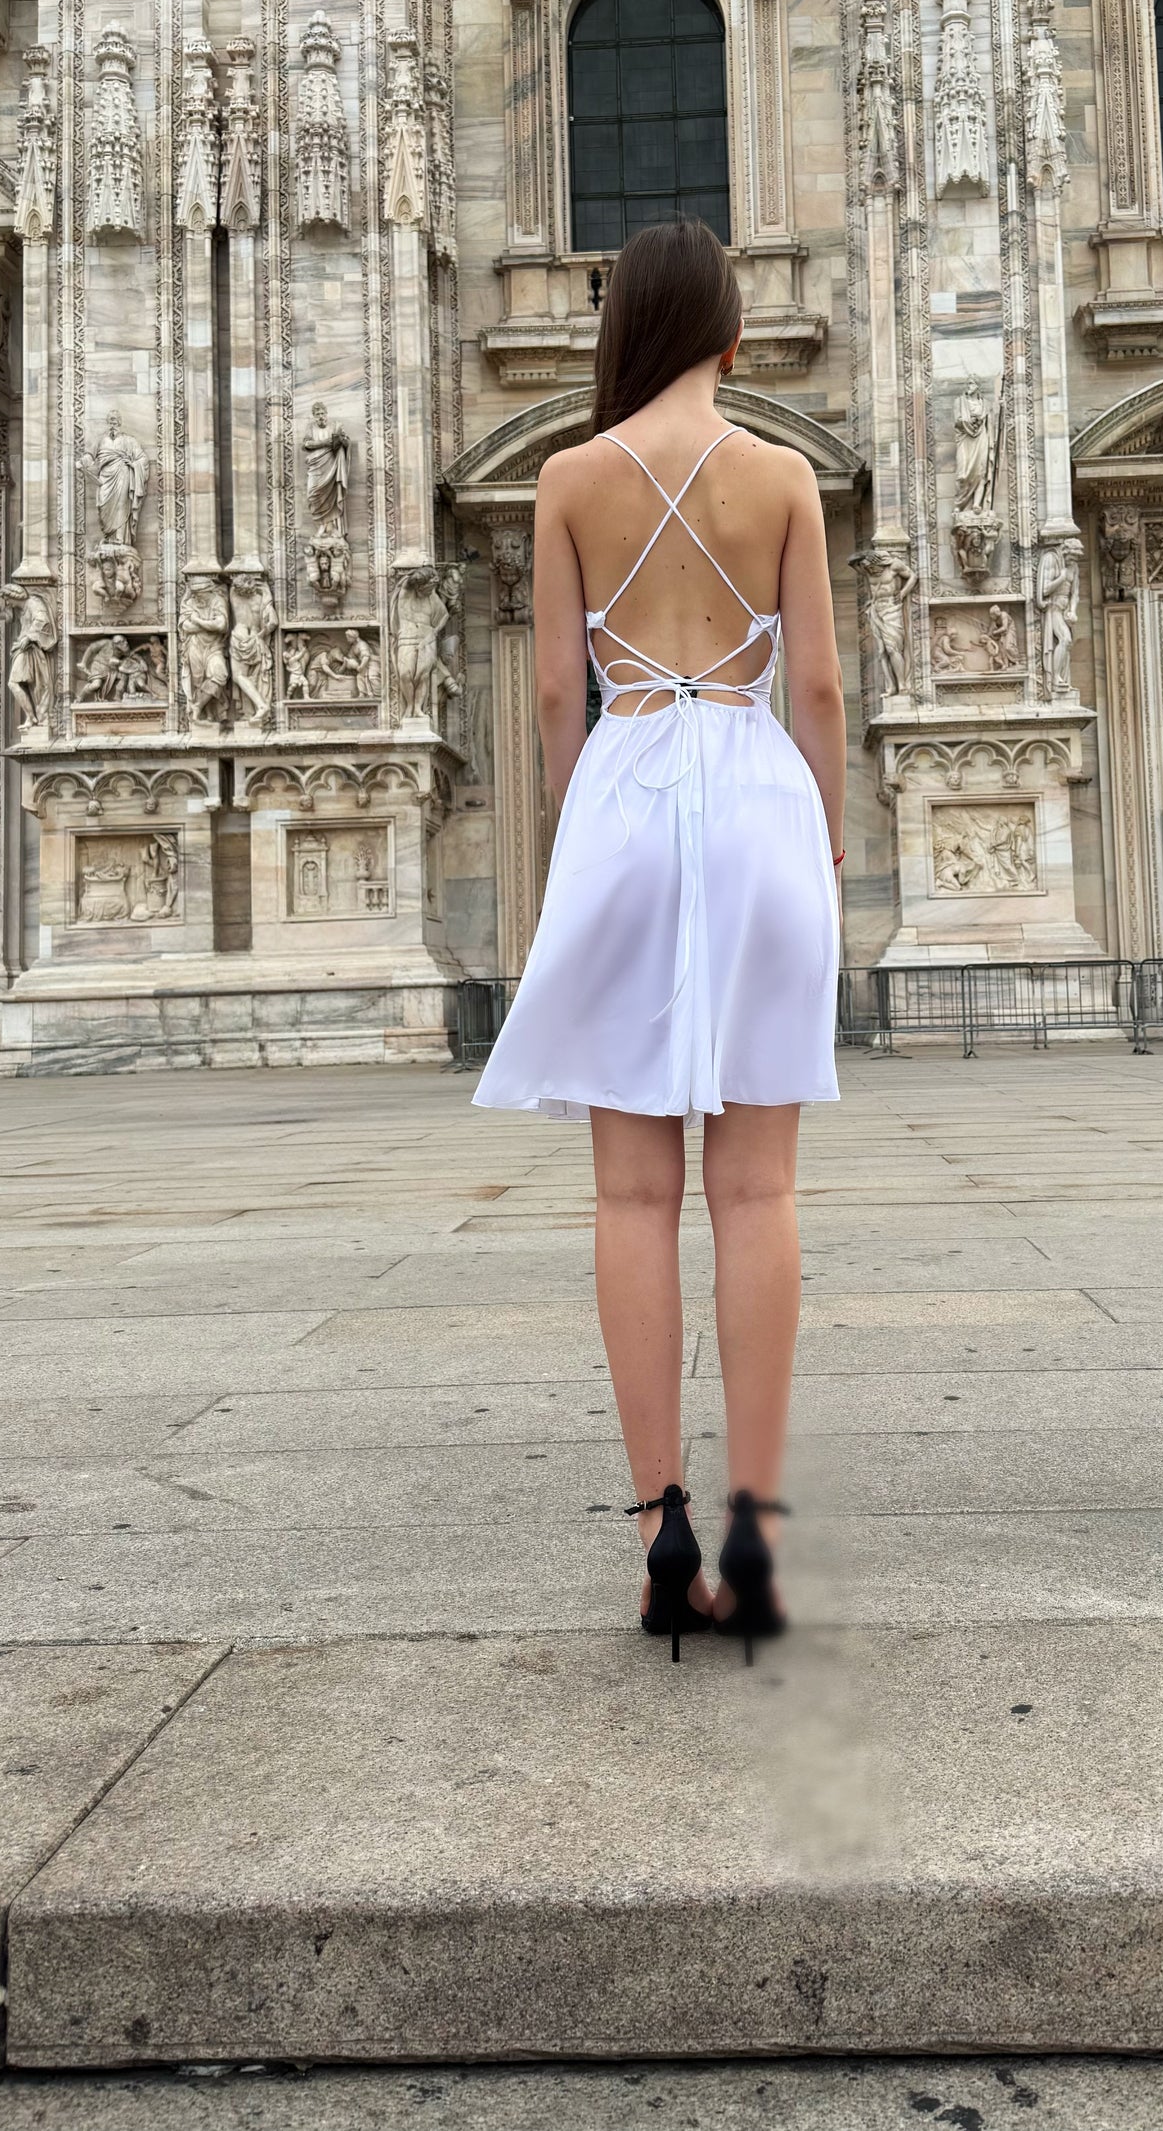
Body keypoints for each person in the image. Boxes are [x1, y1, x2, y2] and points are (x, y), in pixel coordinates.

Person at [473, 218, 846, 1664]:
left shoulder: (569, 476)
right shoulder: (783, 476)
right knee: (755, 1190)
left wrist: (585, 834)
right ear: (733, 336)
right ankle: (751, 1532)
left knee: (632, 1196)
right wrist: (821, 832)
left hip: (627, 785)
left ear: (618, 331)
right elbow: (812, 683)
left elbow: (557, 702)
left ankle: (656, 1528)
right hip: (755, 794)